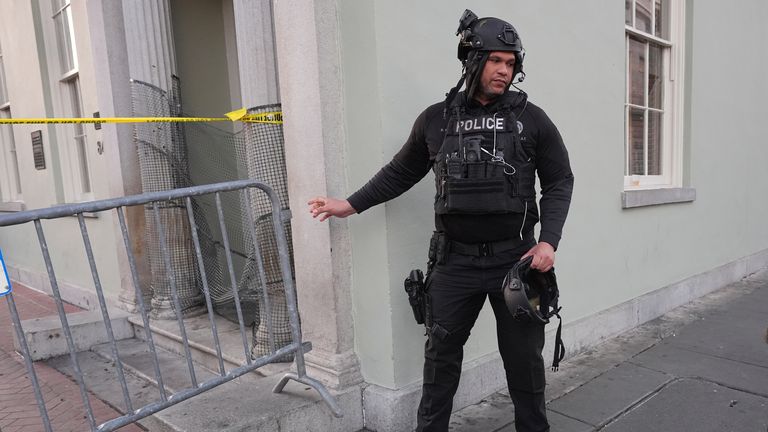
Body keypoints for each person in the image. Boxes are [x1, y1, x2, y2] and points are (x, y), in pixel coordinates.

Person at [308, 9, 573, 432]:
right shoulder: (436, 120)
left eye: (511, 63)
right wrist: (349, 204)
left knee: (525, 369)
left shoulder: (531, 119)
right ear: (472, 58)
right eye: (496, 60)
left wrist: (549, 241)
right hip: (454, 264)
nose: (505, 70)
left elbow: (560, 180)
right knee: (439, 366)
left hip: (516, 263)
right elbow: (399, 172)